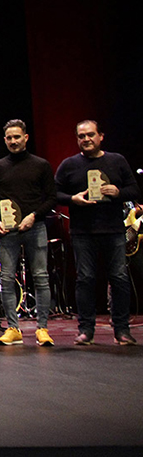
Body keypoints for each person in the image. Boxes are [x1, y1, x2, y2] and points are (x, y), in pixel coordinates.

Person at [54, 120, 141, 345]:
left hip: (113, 230)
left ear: (101, 136)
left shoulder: (117, 160)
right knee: (85, 279)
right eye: (81, 136)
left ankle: (121, 330)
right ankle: (86, 330)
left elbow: (134, 189)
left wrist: (119, 192)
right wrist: (72, 199)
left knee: (119, 279)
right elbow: (53, 194)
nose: (86, 139)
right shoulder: (69, 164)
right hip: (83, 231)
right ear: (77, 139)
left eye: (90, 135)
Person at [0, 119, 58, 346]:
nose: (13, 141)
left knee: (40, 277)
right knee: (7, 278)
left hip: (34, 227)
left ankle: (42, 328)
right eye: (9, 138)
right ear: (5, 140)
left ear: (26, 138)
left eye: (17, 137)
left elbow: (52, 198)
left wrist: (34, 216)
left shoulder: (41, 165)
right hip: (7, 230)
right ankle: (13, 328)